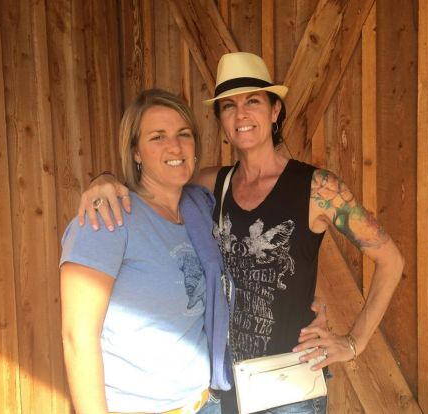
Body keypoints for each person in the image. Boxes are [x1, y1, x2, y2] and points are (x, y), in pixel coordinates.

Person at [78, 52, 405, 414]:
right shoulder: (209, 186)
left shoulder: (318, 189)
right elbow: (155, 181)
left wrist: (353, 342)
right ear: (221, 119)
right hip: (226, 389)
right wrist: (103, 180)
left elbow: (391, 261)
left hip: (290, 390)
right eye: (229, 106)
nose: (241, 114)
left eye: (253, 101)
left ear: (275, 110)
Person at [60, 89, 231, 413]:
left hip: (203, 402)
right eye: (158, 137)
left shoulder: (196, 209)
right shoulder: (107, 218)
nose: (175, 147)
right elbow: (77, 337)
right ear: (135, 152)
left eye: (184, 134)